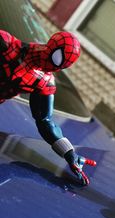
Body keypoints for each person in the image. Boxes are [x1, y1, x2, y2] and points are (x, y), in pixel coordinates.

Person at [0, 30, 96, 185]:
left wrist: (68, 152)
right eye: (57, 57)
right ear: (50, 46)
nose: (53, 66)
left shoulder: (44, 82)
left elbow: (45, 120)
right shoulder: (8, 45)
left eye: (61, 64)